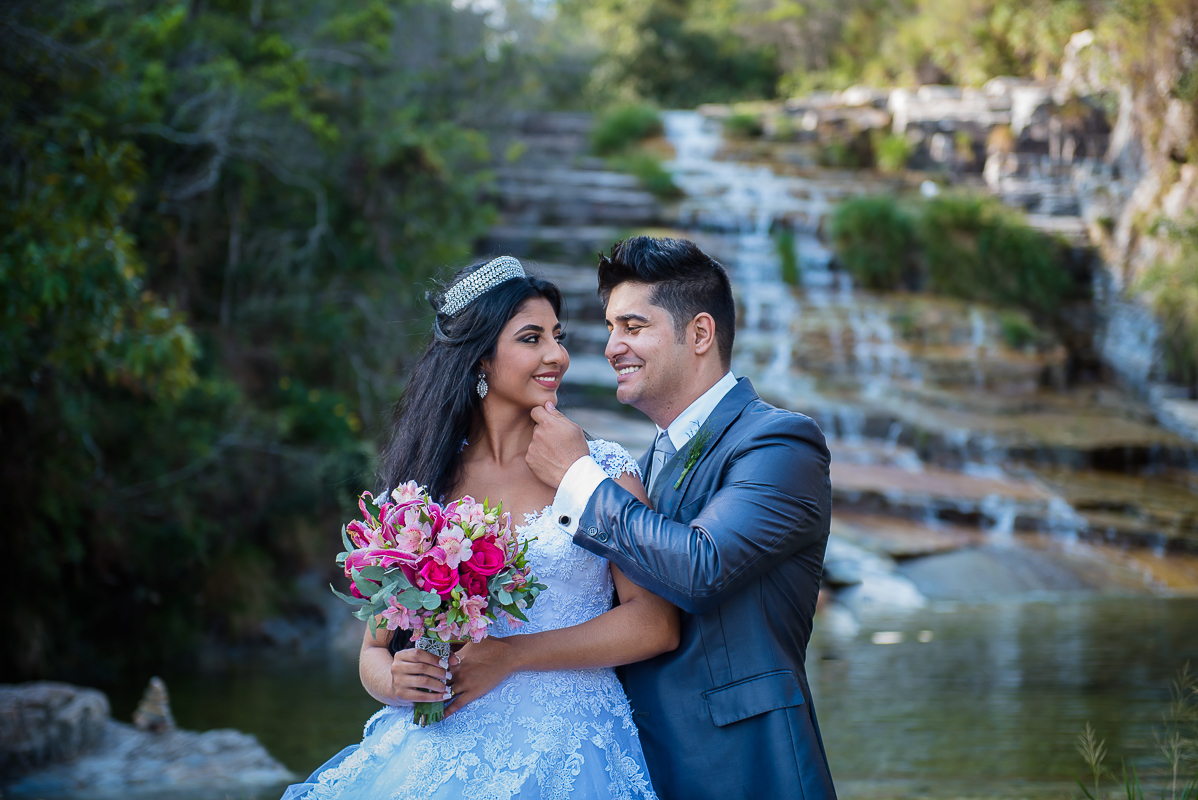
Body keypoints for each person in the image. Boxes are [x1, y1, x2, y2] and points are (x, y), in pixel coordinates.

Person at [281, 256, 678, 800]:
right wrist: (397, 682)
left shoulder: (602, 471)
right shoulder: (426, 486)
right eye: (532, 338)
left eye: (557, 337)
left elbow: (655, 625)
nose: (556, 356)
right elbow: (374, 650)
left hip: (569, 747)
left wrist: (515, 653)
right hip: (443, 749)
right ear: (481, 360)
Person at [523, 236, 838, 800]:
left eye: (633, 327)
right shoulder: (645, 466)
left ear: (699, 334)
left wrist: (576, 478)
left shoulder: (779, 442)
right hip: (638, 765)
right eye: (611, 328)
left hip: (743, 766)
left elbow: (702, 566)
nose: (612, 346)